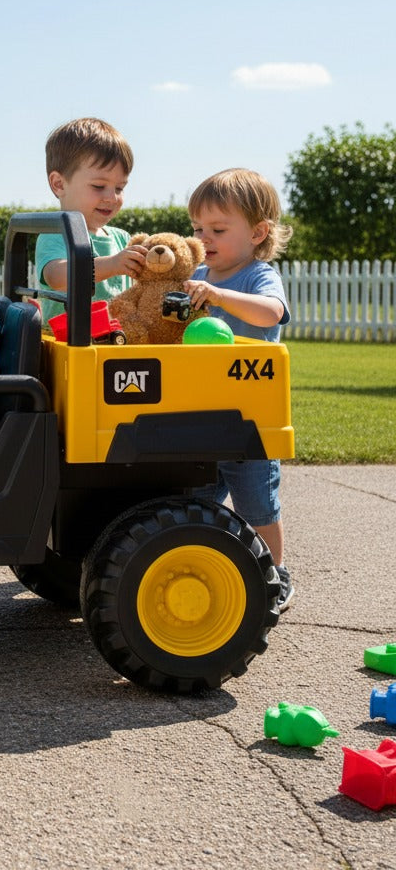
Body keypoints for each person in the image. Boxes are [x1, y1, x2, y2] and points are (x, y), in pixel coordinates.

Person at [182, 167, 295, 611]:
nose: (204, 237)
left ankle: (274, 574)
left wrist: (219, 295)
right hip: (199, 410)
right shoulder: (198, 274)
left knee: (257, 504)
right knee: (195, 497)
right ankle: (207, 564)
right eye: (197, 228)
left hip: (250, 414)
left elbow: (271, 313)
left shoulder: (256, 276)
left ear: (258, 232)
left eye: (218, 229)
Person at [34, 117, 148, 324]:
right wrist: (112, 264)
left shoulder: (121, 238)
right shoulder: (56, 232)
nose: (111, 197)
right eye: (98, 186)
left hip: (116, 341)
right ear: (59, 184)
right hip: (68, 344)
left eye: (119, 188)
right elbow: (57, 277)